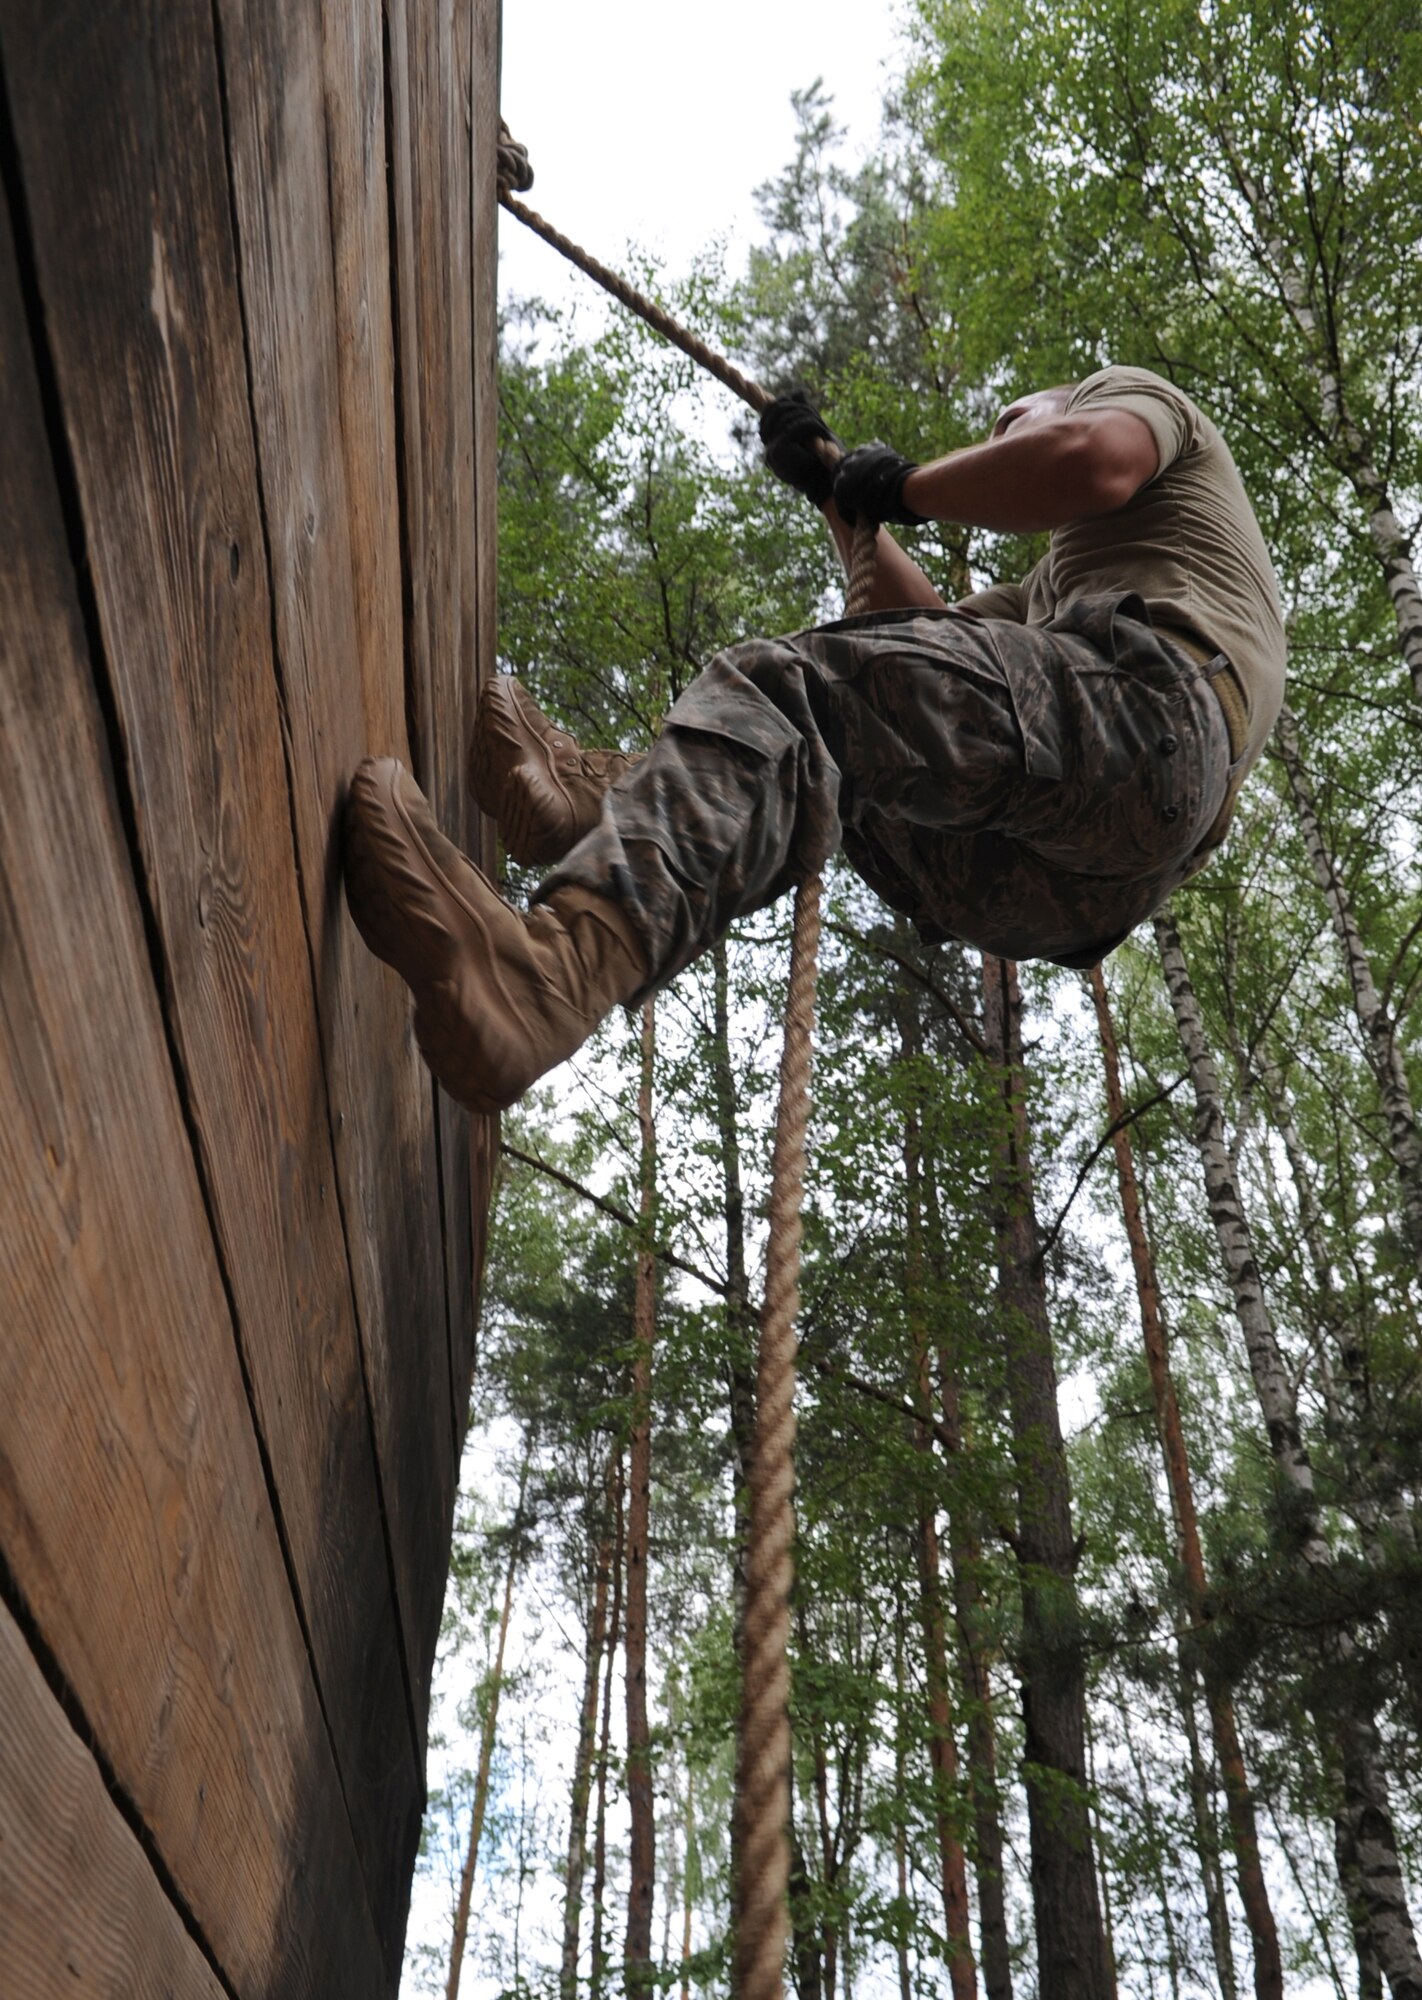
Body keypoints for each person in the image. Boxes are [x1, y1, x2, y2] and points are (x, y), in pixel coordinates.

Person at [343, 365, 1285, 1114]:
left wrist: (912, 486)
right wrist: (839, 494)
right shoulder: (1057, 596)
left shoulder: (1147, 409)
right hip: (1069, 881)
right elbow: (924, 663)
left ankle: (556, 971)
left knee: (781, 684)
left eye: (1014, 417)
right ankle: (599, 808)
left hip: (1156, 709)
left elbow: (1088, 459)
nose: (1004, 432)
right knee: (822, 764)